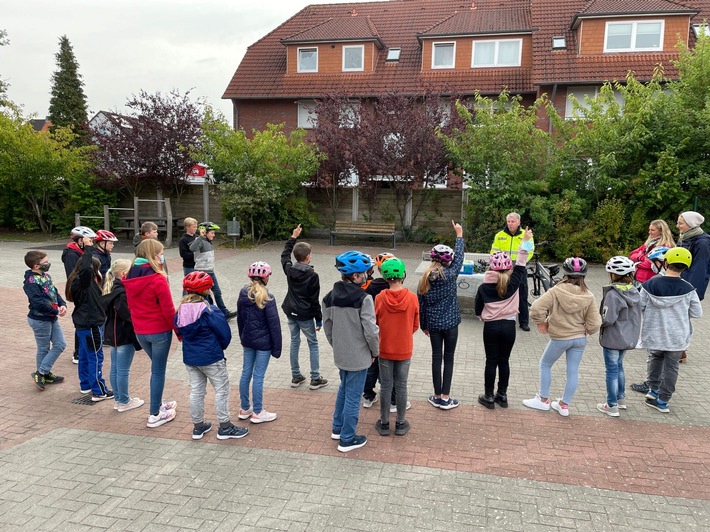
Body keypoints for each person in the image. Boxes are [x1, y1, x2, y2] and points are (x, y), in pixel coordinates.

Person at [523, 257, 601, 417]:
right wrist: (588, 330)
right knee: (572, 371)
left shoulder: (556, 291)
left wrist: (541, 323)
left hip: (560, 338)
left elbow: (537, 307)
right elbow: (595, 322)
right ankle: (564, 405)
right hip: (579, 339)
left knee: (545, 364)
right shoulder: (589, 295)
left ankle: (543, 400)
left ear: (565, 273)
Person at [176, 271, 249, 440]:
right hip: (211, 357)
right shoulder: (210, 310)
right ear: (207, 290)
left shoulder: (180, 310)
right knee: (222, 390)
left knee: (196, 391)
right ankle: (224, 426)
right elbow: (225, 334)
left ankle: (198, 426)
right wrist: (219, 348)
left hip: (190, 357)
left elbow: (179, 331)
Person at [323, 251, 379, 452]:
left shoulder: (329, 297)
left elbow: (328, 327)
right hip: (359, 356)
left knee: (343, 389)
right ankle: (347, 438)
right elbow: (371, 331)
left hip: (341, 354)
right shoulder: (364, 299)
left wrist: (336, 345)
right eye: (364, 273)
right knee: (354, 395)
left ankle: (337, 428)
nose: (366, 276)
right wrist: (375, 352)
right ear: (355, 276)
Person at [475, 228, 534, 409]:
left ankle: (488, 396)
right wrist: (525, 240)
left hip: (491, 328)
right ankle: (502, 395)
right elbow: (522, 260)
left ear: (490, 267)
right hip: (509, 327)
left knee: (491, 361)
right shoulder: (514, 281)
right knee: (504, 361)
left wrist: (483, 316)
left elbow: (478, 309)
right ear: (509, 266)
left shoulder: (483, 287)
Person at [123, 239, 178, 428]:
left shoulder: (129, 277)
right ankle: (154, 414)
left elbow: (131, 306)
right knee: (158, 371)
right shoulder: (158, 279)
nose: (162, 255)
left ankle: (159, 404)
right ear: (154, 255)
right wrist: (179, 332)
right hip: (159, 331)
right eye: (160, 252)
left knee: (156, 369)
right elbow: (169, 310)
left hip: (140, 331)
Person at [640, 247, 702, 413]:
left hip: (655, 333)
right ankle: (663, 400)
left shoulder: (649, 285)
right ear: (686, 267)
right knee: (672, 367)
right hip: (677, 336)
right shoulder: (689, 289)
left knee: (655, 358)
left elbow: (640, 306)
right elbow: (697, 312)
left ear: (666, 263)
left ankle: (653, 389)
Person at [418, 220, 464, 410]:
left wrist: (424, 325)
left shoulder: (424, 280)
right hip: (451, 324)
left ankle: (436, 395)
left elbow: (421, 305)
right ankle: (446, 397)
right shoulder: (451, 274)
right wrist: (459, 235)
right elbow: (460, 258)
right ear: (448, 261)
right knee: (449, 358)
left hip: (434, 325)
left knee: (436, 358)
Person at [374, 258, 419, 437]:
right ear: (403, 275)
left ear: (385, 277)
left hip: (385, 348)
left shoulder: (379, 298)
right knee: (401, 385)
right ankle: (400, 422)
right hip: (404, 348)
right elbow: (415, 324)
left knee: (385, 386)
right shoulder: (412, 298)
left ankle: (384, 423)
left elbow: (375, 322)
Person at [280, 224, 327, 390]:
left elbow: (285, 255)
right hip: (305, 315)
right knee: (312, 343)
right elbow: (314, 301)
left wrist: (293, 237)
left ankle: (296, 376)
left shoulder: (289, 269)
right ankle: (315, 378)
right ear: (308, 257)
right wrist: (319, 319)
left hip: (290, 312)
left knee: (294, 342)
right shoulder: (313, 275)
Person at [237, 261, 282, 424]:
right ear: (265, 277)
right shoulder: (268, 297)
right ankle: (258, 412)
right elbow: (274, 325)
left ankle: (244, 408)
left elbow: (240, 319)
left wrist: (242, 337)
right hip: (264, 343)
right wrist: (277, 348)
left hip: (248, 340)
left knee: (245, 372)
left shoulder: (243, 293)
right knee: (258, 376)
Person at [596, 256, 641, 417]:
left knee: (612, 371)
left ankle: (611, 405)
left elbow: (607, 318)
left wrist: (597, 323)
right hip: (628, 338)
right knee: (619, 367)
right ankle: (621, 399)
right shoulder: (634, 291)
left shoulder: (613, 294)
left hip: (613, 338)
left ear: (612, 275)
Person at [65, 244, 111, 401]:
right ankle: (99, 391)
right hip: (91, 325)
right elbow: (86, 269)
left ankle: (85, 385)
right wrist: (89, 248)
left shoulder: (79, 282)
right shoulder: (83, 282)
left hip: (83, 324)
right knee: (96, 357)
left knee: (85, 355)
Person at [102, 259, 144, 412]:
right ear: (124, 273)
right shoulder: (122, 292)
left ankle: (119, 400)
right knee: (122, 370)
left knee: (115, 369)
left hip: (112, 334)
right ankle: (124, 401)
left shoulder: (111, 288)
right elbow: (127, 314)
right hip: (123, 335)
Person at [23, 250, 67, 391]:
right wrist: (55, 311)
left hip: (51, 317)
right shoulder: (31, 281)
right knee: (43, 348)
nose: (48, 264)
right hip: (40, 319)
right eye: (45, 263)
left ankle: (43, 372)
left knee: (60, 344)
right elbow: (37, 302)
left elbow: (54, 292)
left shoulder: (46, 276)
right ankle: (42, 373)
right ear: (36, 266)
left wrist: (62, 305)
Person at [490, 212, 535, 331]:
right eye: (508, 221)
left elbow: (530, 252)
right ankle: (501, 318)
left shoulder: (526, 236)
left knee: (522, 295)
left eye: (513, 221)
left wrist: (519, 264)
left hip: (519, 269)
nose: (510, 224)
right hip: (503, 270)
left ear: (519, 222)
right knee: (501, 292)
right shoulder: (499, 235)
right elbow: (494, 251)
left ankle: (524, 322)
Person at [362, 252, 395, 409]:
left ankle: (368, 396)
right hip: (390, 333)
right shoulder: (395, 288)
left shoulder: (369, 287)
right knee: (388, 367)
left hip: (373, 331)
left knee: (371, 366)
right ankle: (390, 395)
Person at [61, 225, 96, 364]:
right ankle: (77, 352)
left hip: (85, 288)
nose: (91, 244)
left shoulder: (78, 252)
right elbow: (76, 274)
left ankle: (83, 348)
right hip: (80, 290)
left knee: (85, 319)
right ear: (80, 240)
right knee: (82, 320)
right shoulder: (71, 254)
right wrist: (88, 250)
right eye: (89, 241)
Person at [189, 221, 236, 320]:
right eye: (212, 233)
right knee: (205, 295)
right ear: (205, 232)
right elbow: (192, 248)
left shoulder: (208, 242)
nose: (214, 235)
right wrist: (201, 237)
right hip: (202, 272)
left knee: (217, 292)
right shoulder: (200, 240)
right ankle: (209, 313)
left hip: (210, 271)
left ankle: (224, 313)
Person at [629, 220, 675, 286]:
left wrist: (636, 263)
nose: (649, 232)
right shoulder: (650, 242)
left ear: (661, 231)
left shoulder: (665, 246)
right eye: (649, 229)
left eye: (652, 230)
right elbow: (632, 254)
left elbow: (649, 264)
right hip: (638, 279)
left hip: (650, 280)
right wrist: (642, 257)